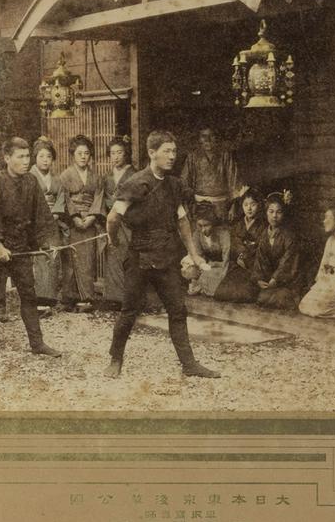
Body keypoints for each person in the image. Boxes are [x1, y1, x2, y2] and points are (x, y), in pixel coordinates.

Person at [104, 130, 221, 379]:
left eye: (174, 151)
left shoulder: (173, 184)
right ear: (151, 153)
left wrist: (194, 254)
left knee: (178, 310)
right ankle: (115, 359)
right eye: (166, 151)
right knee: (129, 310)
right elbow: (113, 218)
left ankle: (189, 364)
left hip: (166, 258)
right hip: (139, 257)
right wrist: (115, 242)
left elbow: (183, 221)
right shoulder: (136, 183)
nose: (172, 156)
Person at [0, 137, 62, 359]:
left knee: (28, 294)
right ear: (7, 158)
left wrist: (49, 243)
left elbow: (42, 217)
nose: (26, 161)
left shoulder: (30, 182)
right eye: (21, 157)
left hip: (20, 247)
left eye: (28, 156)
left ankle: (37, 343)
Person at [58, 135, 104, 311]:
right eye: (79, 153)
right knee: (71, 259)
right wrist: (75, 217)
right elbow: (65, 199)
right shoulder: (65, 176)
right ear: (73, 155)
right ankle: (70, 297)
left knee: (88, 260)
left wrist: (92, 217)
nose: (83, 156)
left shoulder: (96, 177)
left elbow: (98, 198)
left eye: (86, 153)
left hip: (90, 221)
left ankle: (87, 298)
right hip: (73, 222)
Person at [29, 138, 68, 310]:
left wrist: (55, 213)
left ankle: (50, 298)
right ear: (35, 158)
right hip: (36, 222)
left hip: (53, 221)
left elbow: (61, 199)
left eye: (49, 156)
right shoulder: (29, 177)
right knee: (39, 259)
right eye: (41, 156)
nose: (45, 160)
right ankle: (38, 299)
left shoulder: (57, 180)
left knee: (52, 258)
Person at [180, 126, 247, 223]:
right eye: (204, 136)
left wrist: (233, 205)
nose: (208, 140)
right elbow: (184, 182)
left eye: (211, 136)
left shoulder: (226, 155)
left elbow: (234, 181)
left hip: (222, 206)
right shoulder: (192, 157)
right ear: (199, 139)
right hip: (198, 206)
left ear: (217, 138)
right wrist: (188, 204)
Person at [213, 188, 265, 303]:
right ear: (242, 206)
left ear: (259, 205)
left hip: (253, 267)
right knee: (221, 293)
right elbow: (235, 245)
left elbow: (261, 249)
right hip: (238, 264)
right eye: (246, 204)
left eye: (253, 204)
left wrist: (246, 258)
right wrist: (240, 256)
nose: (249, 208)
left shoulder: (263, 226)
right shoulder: (238, 225)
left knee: (245, 295)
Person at [101, 137, 135, 309]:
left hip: (128, 221)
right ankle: (114, 298)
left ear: (126, 153)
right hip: (112, 220)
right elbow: (104, 198)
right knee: (113, 254)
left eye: (119, 152)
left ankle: (129, 299)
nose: (116, 156)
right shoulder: (107, 177)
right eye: (112, 153)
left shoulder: (133, 174)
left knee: (128, 257)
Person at [298, 203, 335, 318]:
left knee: (319, 307)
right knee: (304, 304)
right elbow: (324, 263)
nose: (324, 221)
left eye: (328, 218)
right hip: (328, 279)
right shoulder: (330, 240)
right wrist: (320, 280)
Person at [253, 193, 302, 310]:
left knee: (270, 299)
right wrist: (259, 278)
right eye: (271, 211)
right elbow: (260, 258)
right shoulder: (264, 233)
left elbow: (288, 261)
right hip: (270, 278)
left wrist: (275, 279)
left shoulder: (289, 235)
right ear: (266, 213)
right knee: (258, 296)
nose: (274, 216)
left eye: (279, 212)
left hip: (287, 278)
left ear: (284, 214)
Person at [181, 206, 232, 297]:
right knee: (189, 270)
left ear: (213, 223)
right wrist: (201, 269)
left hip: (224, 266)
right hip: (208, 265)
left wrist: (218, 271)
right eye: (200, 225)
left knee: (214, 279)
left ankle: (205, 287)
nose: (203, 229)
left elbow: (227, 258)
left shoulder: (223, 234)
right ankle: (200, 285)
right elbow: (198, 256)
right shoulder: (197, 234)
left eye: (206, 225)